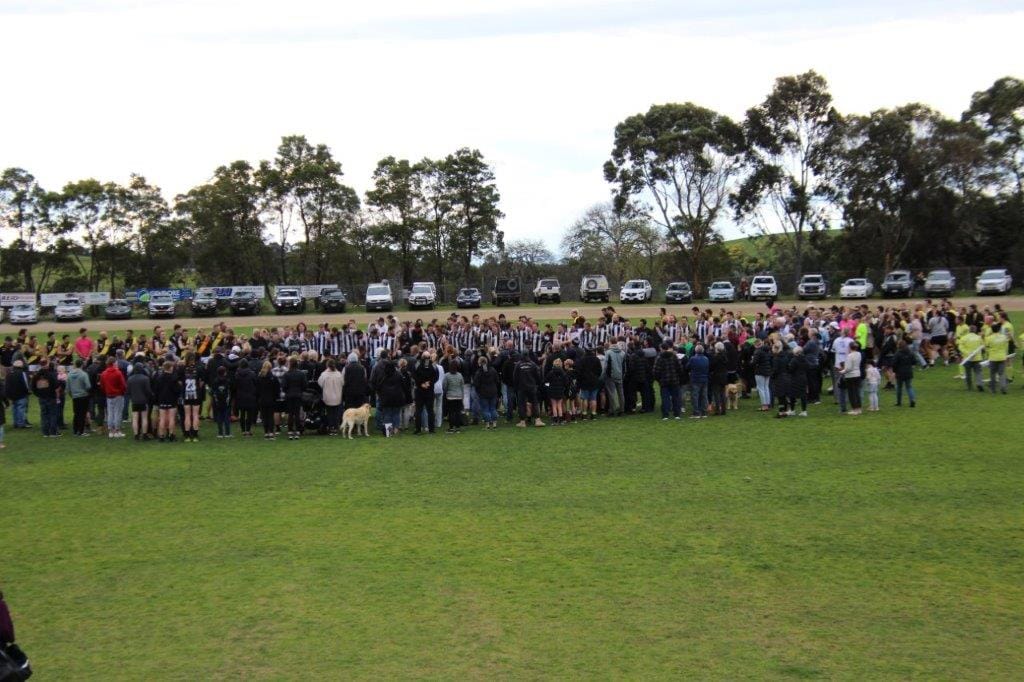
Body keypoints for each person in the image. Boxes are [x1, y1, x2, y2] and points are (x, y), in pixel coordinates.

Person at [30, 358, 61, 438]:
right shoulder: (50, 375)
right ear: (47, 364)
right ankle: (53, 432)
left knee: (44, 414)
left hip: (42, 397)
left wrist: (38, 394)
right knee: (52, 414)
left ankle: (45, 432)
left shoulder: (36, 375)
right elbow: (56, 385)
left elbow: (33, 388)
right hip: (51, 397)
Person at [653, 341, 683, 420]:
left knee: (665, 398)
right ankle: (677, 414)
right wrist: (678, 376)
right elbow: (679, 368)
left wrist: (658, 379)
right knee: (676, 398)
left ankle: (665, 415)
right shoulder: (674, 356)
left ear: (662, 349)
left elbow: (656, 370)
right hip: (674, 380)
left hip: (664, 381)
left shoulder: (659, 358)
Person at [152, 361, 181, 442]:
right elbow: (177, 390)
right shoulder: (174, 378)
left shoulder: (159, 377)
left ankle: (161, 436)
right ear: (170, 367)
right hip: (171, 400)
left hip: (161, 400)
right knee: (171, 418)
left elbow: (156, 390)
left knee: (162, 418)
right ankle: (171, 435)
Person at [281, 358, 308, 440]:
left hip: (289, 395)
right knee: (297, 413)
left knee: (290, 414)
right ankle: (297, 431)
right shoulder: (301, 374)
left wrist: (288, 391)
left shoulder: (286, 374)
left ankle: (290, 430)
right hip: (298, 395)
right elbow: (305, 386)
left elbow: (284, 386)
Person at [126, 362, 153, 440]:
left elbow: (128, 391)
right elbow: (148, 391)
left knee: (135, 418)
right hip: (144, 400)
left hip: (134, 400)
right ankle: (144, 434)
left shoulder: (130, 379)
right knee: (144, 418)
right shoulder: (145, 378)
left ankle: (136, 434)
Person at [473, 356, 500, 429]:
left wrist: (478, 391)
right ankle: (494, 424)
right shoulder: (493, 370)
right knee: (493, 408)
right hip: (493, 391)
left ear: (479, 363)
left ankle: (487, 424)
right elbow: (497, 380)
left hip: (483, 393)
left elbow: (476, 384)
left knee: (485, 408)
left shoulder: (478, 372)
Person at [67, 359, 92, 437]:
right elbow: (88, 386)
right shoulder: (84, 374)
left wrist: (72, 394)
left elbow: (68, 388)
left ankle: (75, 430)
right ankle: (81, 431)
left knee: (76, 413)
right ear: (82, 365)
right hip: (83, 396)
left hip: (75, 396)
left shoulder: (70, 374)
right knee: (82, 414)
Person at [318, 359, 344, 435]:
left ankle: (331, 427)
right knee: (336, 413)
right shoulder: (339, 374)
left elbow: (320, 383)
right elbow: (343, 383)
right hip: (337, 396)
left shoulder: (324, 374)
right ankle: (335, 428)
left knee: (329, 413)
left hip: (328, 396)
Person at [413, 352, 437, 434]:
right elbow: (436, 376)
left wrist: (421, 383)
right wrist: (429, 383)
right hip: (430, 390)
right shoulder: (433, 365)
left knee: (418, 411)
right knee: (430, 411)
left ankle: (418, 429)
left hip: (419, 390)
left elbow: (414, 375)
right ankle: (431, 429)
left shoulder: (417, 364)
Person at [233, 359, 258, 437]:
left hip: (240, 396)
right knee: (249, 414)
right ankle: (248, 430)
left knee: (242, 414)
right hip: (250, 395)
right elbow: (256, 384)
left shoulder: (237, 374)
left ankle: (243, 430)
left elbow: (235, 386)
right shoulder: (252, 374)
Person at [257, 361, 281, 440]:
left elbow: (257, 389)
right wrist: (276, 397)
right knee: (270, 416)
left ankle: (266, 432)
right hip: (271, 399)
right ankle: (271, 432)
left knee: (264, 416)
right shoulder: (273, 378)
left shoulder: (259, 377)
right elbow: (277, 389)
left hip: (262, 399)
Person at [984, 323, 1009, 395]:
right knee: (1002, 373)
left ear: (992, 330)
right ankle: (1003, 388)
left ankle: (993, 390)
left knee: (992, 374)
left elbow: (986, 347)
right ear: (998, 329)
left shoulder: (988, 338)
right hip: (1002, 357)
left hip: (993, 358)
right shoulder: (1004, 337)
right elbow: (1006, 346)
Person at [4, 361, 30, 429]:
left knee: (14, 409)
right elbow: (26, 384)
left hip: (11, 395)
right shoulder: (23, 373)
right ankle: (21, 424)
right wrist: (28, 391)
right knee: (21, 409)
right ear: (21, 366)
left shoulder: (9, 374)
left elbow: (6, 385)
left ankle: (15, 423)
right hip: (21, 394)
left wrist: (7, 394)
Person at [893, 340, 917, 407]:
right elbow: (914, 361)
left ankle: (899, 402)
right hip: (909, 372)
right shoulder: (910, 352)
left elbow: (894, 363)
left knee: (899, 387)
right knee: (909, 387)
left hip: (899, 372)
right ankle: (912, 400)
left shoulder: (897, 353)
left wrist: (894, 371)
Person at [443, 358, 465, 433]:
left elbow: (445, 386)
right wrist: (462, 396)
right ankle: (458, 427)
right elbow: (462, 386)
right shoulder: (460, 375)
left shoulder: (447, 376)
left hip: (450, 396)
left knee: (451, 412)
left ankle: (451, 427)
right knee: (458, 412)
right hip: (459, 396)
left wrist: (446, 392)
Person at [688, 345, 709, 419]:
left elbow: (687, 367)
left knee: (695, 396)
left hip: (695, 379)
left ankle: (696, 412)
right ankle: (704, 412)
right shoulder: (706, 359)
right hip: (704, 379)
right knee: (704, 396)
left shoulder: (693, 359)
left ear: (695, 351)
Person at [210, 366, 232, 438]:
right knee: (226, 417)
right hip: (226, 401)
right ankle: (227, 433)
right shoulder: (228, 381)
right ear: (225, 372)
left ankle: (220, 433)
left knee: (219, 417)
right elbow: (230, 390)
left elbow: (211, 391)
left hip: (217, 401)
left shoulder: (215, 381)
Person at [843, 341, 864, 416]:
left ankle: (854, 409)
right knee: (856, 392)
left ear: (850, 347)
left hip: (850, 375)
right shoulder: (859, 354)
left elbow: (848, 368)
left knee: (851, 393)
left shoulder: (849, 356)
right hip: (857, 374)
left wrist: (842, 371)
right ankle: (859, 408)